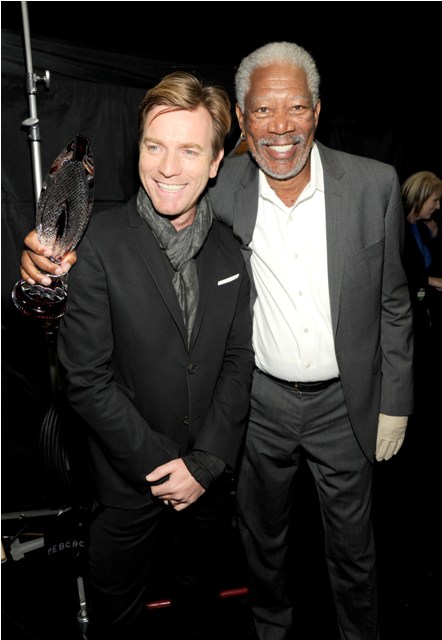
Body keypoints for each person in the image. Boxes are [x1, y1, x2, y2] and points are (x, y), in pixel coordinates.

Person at [19, 42, 414, 640]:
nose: (279, 127)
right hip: (213, 432)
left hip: (318, 416)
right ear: (244, 123)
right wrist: (41, 271)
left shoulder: (356, 192)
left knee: (339, 551)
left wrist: (395, 402)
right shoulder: (169, 208)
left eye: (296, 107)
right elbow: (85, 345)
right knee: (249, 550)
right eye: (262, 111)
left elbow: (385, 304)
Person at [18, 71, 254, 640]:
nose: (168, 167)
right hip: (127, 486)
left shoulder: (232, 250)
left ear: (216, 162)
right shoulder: (97, 244)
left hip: (208, 482)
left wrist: (206, 463)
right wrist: (169, 468)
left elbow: (238, 359)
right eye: (155, 146)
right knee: (116, 619)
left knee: (201, 609)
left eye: (189, 150)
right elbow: (86, 379)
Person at [401, 170, 442, 392]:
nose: (438, 206)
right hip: (405, 319)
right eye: (434, 200)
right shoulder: (397, 227)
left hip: (422, 309)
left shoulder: (421, 226)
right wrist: (432, 281)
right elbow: (401, 275)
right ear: (420, 197)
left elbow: (424, 261)